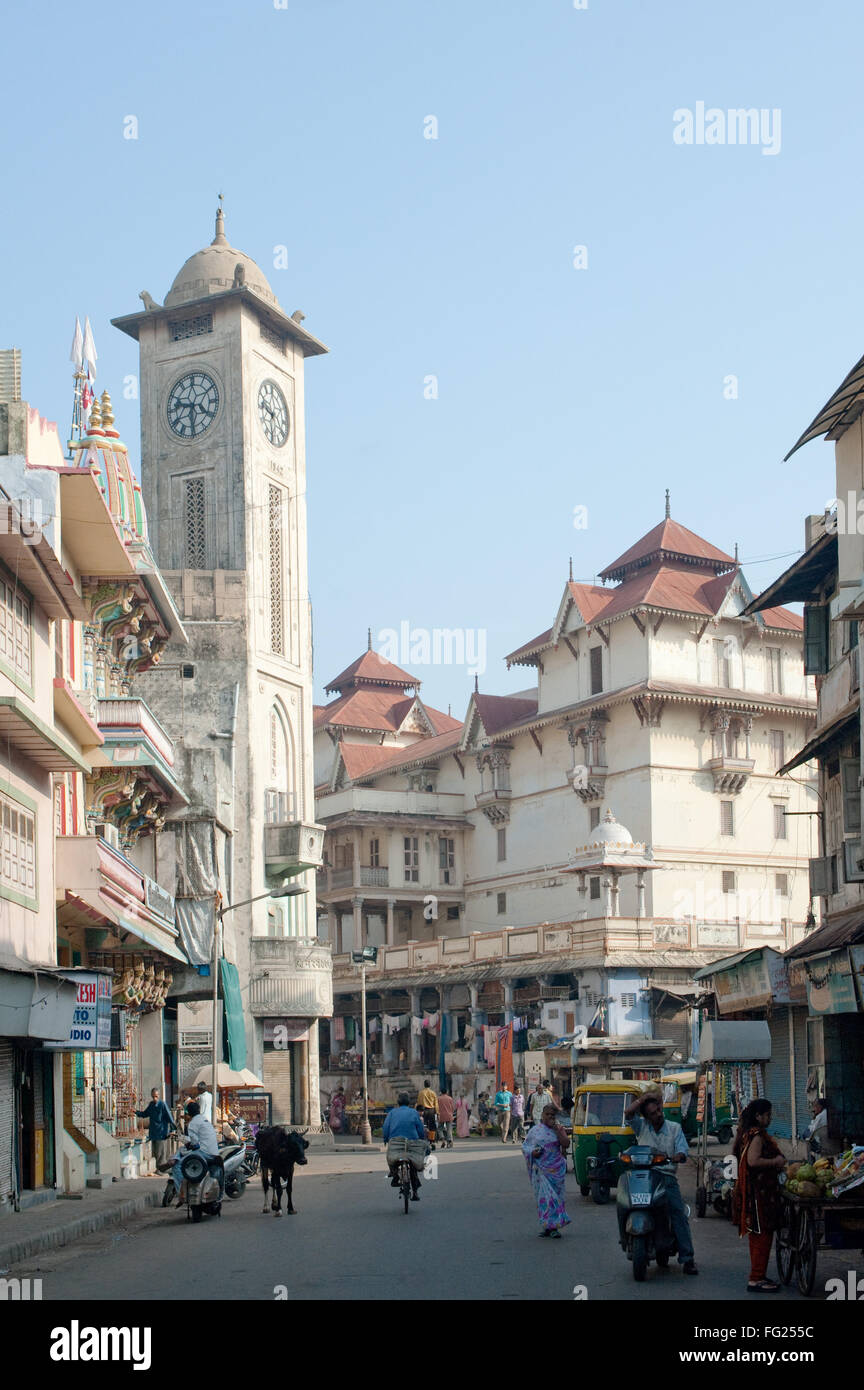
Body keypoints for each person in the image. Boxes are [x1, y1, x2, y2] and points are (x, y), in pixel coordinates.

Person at [624, 1091, 698, 1275]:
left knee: (677, 1212)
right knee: (625, 1203)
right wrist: (642, 1100)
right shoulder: (641, 1126)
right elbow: (628, 1113)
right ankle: (626, 1239)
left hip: (666, 1177)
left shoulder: (674, 1128)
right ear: (646, 1116)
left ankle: (687, 1259)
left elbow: (683, 1150)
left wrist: (677, 1156)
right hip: (642, 1176)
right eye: (652, 1113)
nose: (657, 1115)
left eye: (658, 1110)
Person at [732, 1099, 786, 1292]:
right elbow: (753, 1162)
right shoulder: (756, 1136)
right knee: (761, 1235)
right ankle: (755, 1279)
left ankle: (758, 1275)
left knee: (757, 1235)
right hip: (758, 1193)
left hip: (755, 1192)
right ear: (758, 1116)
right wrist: (776, 1162)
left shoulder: (746, 1133)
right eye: (768, 1115)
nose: (769, 1119)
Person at [522, 1102, 571, 1237]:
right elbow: (525, 1146)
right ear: (542, 1115)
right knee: (544, 1199)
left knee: (555, 1198)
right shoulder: (535, 1130)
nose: (550, 1117)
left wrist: (558, 1131)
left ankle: (554, 1227)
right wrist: (533, 1152)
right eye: (547, 1114)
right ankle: (547, 1226)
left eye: (552, 1115)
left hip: (556, 1170)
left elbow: (566, 1144)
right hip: (541, 1171)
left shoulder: (559, 1129)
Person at [169, 1100, 220, 1204]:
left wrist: (188, 1144)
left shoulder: (192, 1124)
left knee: (178, 1166)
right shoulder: (205, 1120)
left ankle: (182, 1194)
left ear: (188, 1114)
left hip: (203, 1152)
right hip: (214, 1152)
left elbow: (195, 1144)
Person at [382, 1093, 428, 1200]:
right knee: (413, 1167)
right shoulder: (414, 1112)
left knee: (391, 1158)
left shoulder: (392, 1112)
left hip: (395, 1142)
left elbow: (386, 1127)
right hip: (412, 1143)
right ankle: (415, 1192)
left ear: (398, 1102)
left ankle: (394, 1175)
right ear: (409, 1103)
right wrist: (421, 1139)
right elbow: (420, 1129)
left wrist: (385, 1139)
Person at [134, 1087, 176, 1168]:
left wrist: (172, 1130)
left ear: (158, 1096)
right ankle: (158, 1169)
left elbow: (170, 1118)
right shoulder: (151, 1105)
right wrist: (136, 1112)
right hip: (153, 1133)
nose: (155, 1098)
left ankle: (161, 1169)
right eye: (153, 1097)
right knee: (155, 1153)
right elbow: (145, 1114)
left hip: (161, 1133)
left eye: (156, 1096)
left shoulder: (162, 1105)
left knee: (161, 1154)